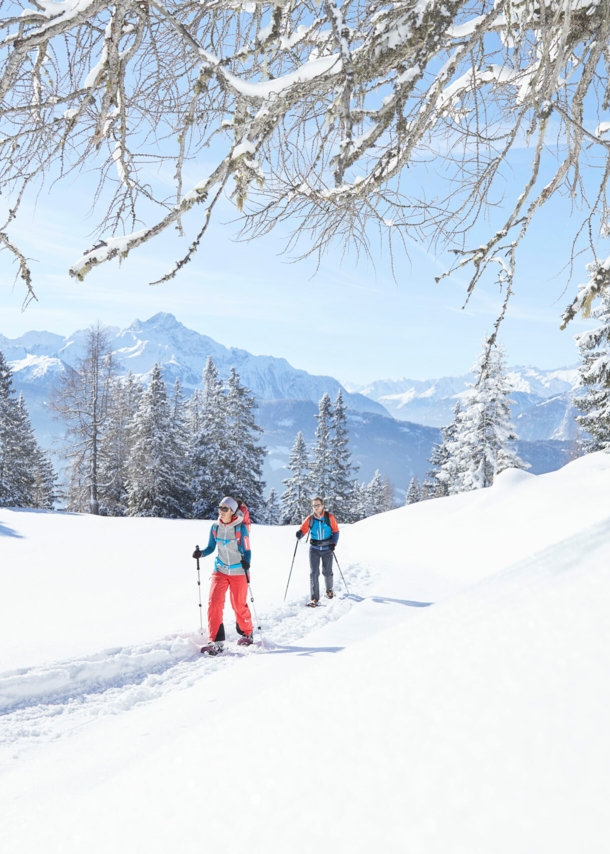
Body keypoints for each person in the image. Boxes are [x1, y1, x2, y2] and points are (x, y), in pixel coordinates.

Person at [192, 496, 253, 655]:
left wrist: (247, 563)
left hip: (239, 572)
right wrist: (201, 554)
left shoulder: (240, 528)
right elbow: (211, 547)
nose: (221, 511)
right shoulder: (215, 527)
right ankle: (215, 641)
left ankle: (247, 632)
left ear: (232, 511)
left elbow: (247, 550)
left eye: (225, 508)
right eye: (220, 507)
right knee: (214, 603)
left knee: (238, 605)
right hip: (220, 570)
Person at [296, 497, 340, 606]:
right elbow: (304, 529)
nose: (316, 507)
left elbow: (336, 531)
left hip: (327, 549)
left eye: (318, 505)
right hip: (314, 549)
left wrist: (333, 544)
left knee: (327, 572)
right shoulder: (310, 519)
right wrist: (300, 533)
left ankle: (329, 590)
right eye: (314, 505)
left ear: (322, 506)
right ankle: (314, 599)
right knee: (314, 573)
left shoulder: (329, 517)